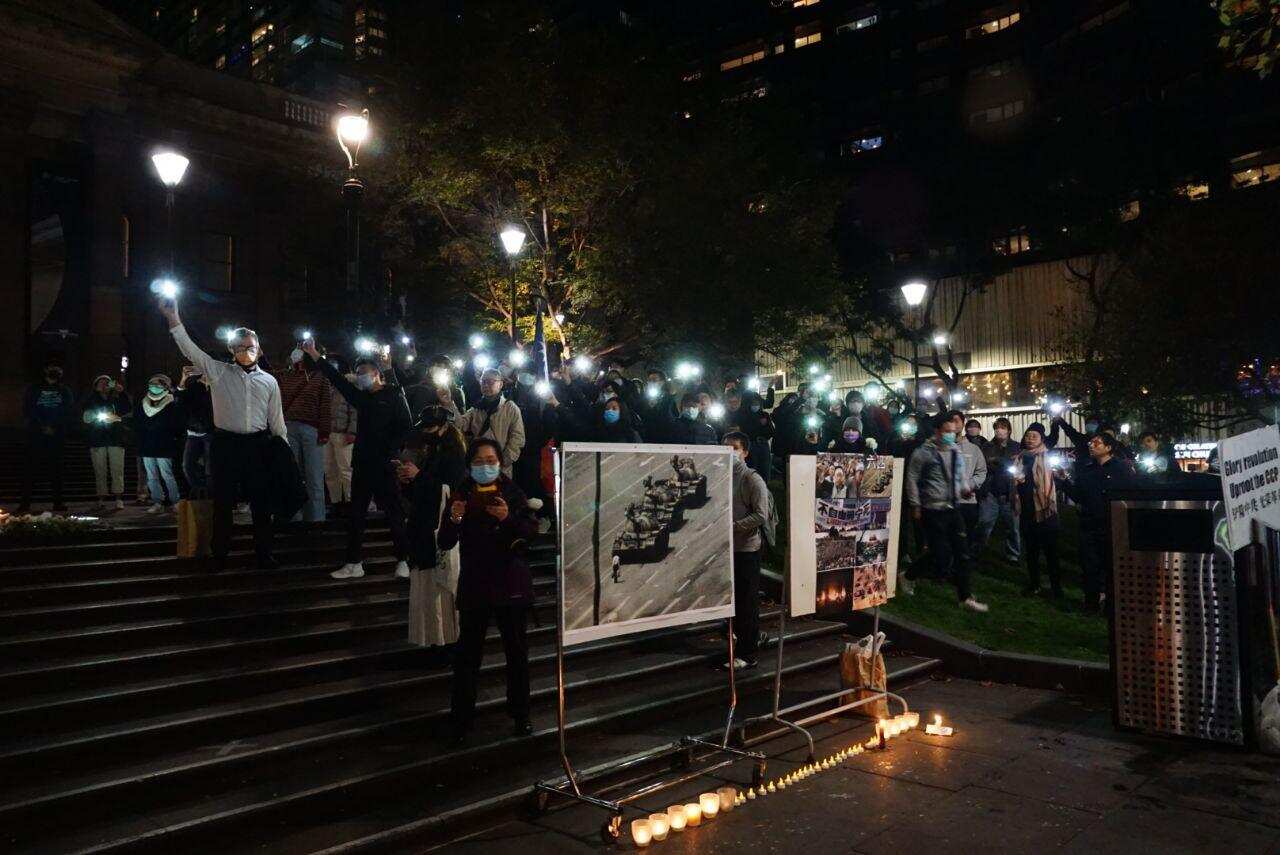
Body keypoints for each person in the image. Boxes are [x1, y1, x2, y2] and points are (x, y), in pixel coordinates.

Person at [160, 299, 287, 570]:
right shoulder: (219, 372)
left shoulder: (269, 381)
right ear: (231, 350)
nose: (246, 352)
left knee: (261, 502)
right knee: (223, 502)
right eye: (240, 348)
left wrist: (283, 453)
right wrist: (173, 318)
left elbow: (277, 421)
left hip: (257, 445)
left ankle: (264, 553)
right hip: (226, 443)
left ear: (258, 348)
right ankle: (220, 554)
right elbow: (191, 350)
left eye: (250, 347)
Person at [439, 438, 538, 742]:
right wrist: (454, 518)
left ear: (500, 462)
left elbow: (530, 532)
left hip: (511, 584)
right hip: (476, 584)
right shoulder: (462, 493)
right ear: (470, 465)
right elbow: (445, 541)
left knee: (517, 654)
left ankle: (521, 715)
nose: (486, 466)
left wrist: (507, 518)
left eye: (491, 460)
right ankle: (461, 719)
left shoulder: (512, 491)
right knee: (467, 657)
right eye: (479, 461)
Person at [303, 341, 413, 580]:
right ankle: (353, 562)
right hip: (362, 463)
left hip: (385, 464)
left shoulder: (393, 395)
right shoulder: (361, 398)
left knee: (393, 512)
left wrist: (391, 452)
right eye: (358, 372)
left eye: (363, 372)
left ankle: (403, 559)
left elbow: (406, 427)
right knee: (356, 514)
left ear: (376, 374)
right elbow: (337, 380)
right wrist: (314, 354)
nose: (359, 376)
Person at [904, 413, 989, 612]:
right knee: (940, 553)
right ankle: (908, 576)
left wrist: (965, 489)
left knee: (962, 553)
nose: (951, 434)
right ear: (937, 431)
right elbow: (912, 478)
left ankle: (965, 597)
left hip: (953, 507)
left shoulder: (955, 451)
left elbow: (959, 475)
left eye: (953, 431)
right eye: (947, 431)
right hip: (932, 509)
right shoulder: (923, 453)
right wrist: (915, 505)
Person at [1056, 432, 1130, 613]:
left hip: (1111, 524)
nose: (1091, 445)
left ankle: (1113, 605)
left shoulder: (1121, 469)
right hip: (1089, 525)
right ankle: (1091, 602)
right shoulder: (1086, 469)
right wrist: (1064, 481)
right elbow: (1078, 496)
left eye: (1097, 443)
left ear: (1108, 448)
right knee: (1089, 565)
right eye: (1091, 443)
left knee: (1111, 566)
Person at [723, 430, 769, 669]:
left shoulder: (752, 479)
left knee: (746, 601)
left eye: (735, 448)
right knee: (732, 598)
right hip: (727, 547)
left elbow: (761, 514)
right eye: (725, 447)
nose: (729, 452)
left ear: (745, 452)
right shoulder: (721, 475)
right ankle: (746, 638)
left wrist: (734, 526)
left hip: (747, 549)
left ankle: (748, 654)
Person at [276, 343, 333, 523]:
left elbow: (325, 405)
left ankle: (316, 519)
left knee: (314, 476)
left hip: (312, 429)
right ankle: (294, 516)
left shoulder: (320, 376)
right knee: (292, 475)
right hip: (288, 428)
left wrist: (324, 431)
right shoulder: (285, 375)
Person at [1013, 422, 1062, 599]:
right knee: (1031, 551)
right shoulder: (1020, 457)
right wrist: (1016, 480)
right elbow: (1015, 480)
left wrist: (1061, 475)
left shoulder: (1048, 456)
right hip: (1027, 509)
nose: (1030, 439)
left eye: (1034, 436)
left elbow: (1057, 479)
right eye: (1027, 436)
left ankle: (1056, 588)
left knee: (1051, 552)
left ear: (1042, 439)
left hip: (1046, 510)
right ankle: (1034, 584)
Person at [19, 361, 75, 512]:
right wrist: (42, 426)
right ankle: (25, 503)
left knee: (57, 470)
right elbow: (28, 409)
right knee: (30, 469)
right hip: (36, 434)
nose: (55, 370)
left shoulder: (64, 390)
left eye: (58, 368)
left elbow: (67, 411)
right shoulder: (33, 389)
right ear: (45, 370)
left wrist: (54, 426)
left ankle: (58, 502)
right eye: (52, 367)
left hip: (56, 435)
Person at [456, 368, 526, 478]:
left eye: (490, 382)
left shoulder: (510, 408)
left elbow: (517, 438)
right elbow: (460, 425)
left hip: (501, 469)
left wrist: (503, 461)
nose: (486, 385)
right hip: (478, 465)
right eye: (483, 382)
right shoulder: (477, 408)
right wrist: (449, 404)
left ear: (500, 384)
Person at [133, 374, 185, 513]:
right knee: (151, 477)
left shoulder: (171, 402)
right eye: (152, 384)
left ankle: (175, 501)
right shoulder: (143, 402)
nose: (154, 387)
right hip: (147, 444)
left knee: (167, 474)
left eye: (158, 385)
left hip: (164, 444)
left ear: (166, 387)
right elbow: (137, 421)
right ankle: (157, 502)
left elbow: (176, 423)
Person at [80, 374, 131, 511]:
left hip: (116, 438)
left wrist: (121, 392)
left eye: (107, 383)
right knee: (99, 470)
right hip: (97, 439)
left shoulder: (116, 398)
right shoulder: (91, 398)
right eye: (101, 383)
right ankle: (101, 498)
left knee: (117, 469)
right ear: (95, 386)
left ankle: (118, 498)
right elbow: (84, 413)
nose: (104, 385)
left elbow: (127, 408)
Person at [976, 417, 1022, 562]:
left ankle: (1013, 554)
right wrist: (1005, 462)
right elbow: (984, 464)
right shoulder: (987, 446)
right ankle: (978, 551)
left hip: (1010, 492)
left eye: (1003, 427)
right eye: (997, 428)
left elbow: (1018, 465)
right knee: (984, 523)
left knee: (1013, 526)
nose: (999, 430)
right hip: (990, 492)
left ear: (1009, 430)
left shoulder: (1017, 446)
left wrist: (997, 460)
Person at [950, 410, 988, 561]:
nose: (953, 424)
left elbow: (981, 471)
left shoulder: (973, 449)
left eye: (956, 421)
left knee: (966, 536)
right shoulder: (938, 448)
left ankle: (964, 565)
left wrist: (969, 485)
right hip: (944, 501)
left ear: (962, 423)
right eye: (950, 421)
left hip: (967, 501)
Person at [324, 355, 358, 513]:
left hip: (343, 432)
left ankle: (352, 502)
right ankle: (336, 501)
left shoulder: (349, 383)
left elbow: (355, 409)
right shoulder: (326, 383)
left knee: (346, 469)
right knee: (330, 469)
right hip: (327, 432)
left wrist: (352, 431)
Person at [174, 365, 213, 496]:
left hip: (210, 431)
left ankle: (210, 495)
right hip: (193, 431)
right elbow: (179, 400)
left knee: (210, 468)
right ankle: (199, 489)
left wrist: (209, 387)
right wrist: (183, 379)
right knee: (187, 465)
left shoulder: (216, 387)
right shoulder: (194, 387)